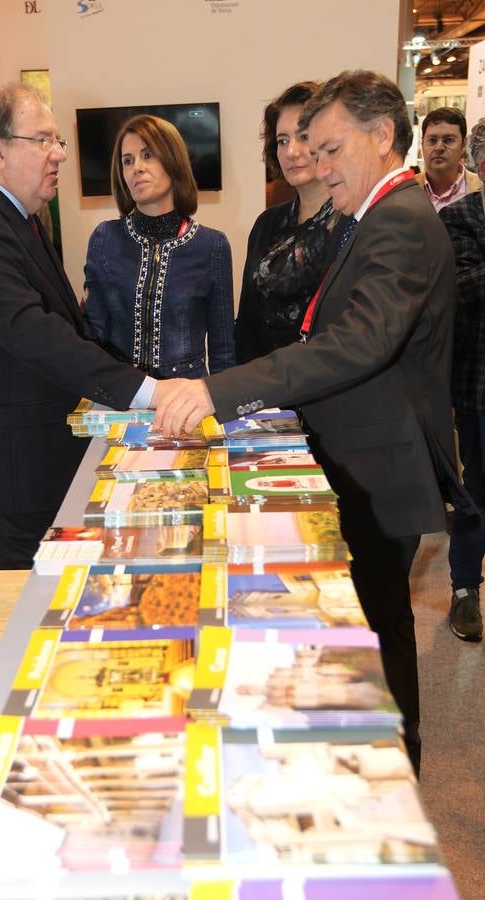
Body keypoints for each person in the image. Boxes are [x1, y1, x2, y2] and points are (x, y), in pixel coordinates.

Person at [152, 70, 472, 775]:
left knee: (378, 633)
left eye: (330, 150)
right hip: (357, 449)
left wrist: (220, 389)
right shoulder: (380, 213)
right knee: (363, 626)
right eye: (309, 150)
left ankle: (390, 774)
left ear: (381, 136)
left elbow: (357, 342)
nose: (317, 167)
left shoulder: (398, 219)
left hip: (377, 462)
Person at [0, 83, 149, 570]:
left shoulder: (17, 216)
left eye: (60, 141)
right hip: (10, 472)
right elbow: (33, 332)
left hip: (34, 458)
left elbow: (61, 327)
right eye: (44, 140)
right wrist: (142, 391)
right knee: (33, 613)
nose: (59, 154)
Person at [83, 114, 235, 379]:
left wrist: (225, 409)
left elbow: (223, 351)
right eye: (127, 161)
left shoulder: (212, 245)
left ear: (173, 161)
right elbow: (93, 334)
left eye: (148, 155)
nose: (137, 168)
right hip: (123, 399)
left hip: (187, 401)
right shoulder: (104, 238)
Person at [235, 83, 337, 362]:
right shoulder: (267, 223)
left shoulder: (353, 222)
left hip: (327, 387)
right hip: (266, 388)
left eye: (303, 136)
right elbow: (247, 321)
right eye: (282, 140)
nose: (291, 151)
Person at [439, 118, 485, 642]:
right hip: (477, 387)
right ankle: (466, 588)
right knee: (478, 490)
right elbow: (467, 286)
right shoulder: (459, 219)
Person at [415, 106, 480, 212]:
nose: (439, 147)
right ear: (422, 144)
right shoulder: (405, 190)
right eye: (432, 140)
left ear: (463, 145)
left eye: (448, 140)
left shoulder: (481, 188)